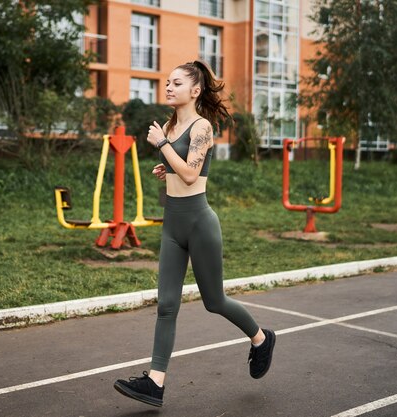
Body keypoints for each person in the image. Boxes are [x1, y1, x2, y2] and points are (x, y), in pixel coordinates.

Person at [113, 60, 276, 407]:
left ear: (195, 90)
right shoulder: (172, 124)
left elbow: (190, 175)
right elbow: (179, 169)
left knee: (214, 301)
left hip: (200, 223)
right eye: (167, 82)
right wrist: (166, 163)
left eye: (176, 83)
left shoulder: (202, 127)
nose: (168, 87)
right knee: (166, 305)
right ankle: (155, 383)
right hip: (172, 223)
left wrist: (162, 147)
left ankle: (261, 338)